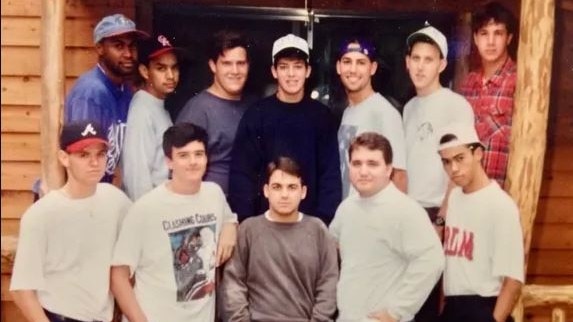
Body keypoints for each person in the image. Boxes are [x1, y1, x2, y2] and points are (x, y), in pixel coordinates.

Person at [111, 123, 238, 322]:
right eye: (183, 155)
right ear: (169, 162)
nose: (193, 162)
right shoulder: (146, 208)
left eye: (199, 154)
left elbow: (229, 219)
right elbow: (118, 276)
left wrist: (230, 227)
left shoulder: (214, 194)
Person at [10, 121, 132, 322]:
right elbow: (23, 290)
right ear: (64, 158)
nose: (94, 162)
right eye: (84, 155)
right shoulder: (41, 214)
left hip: (104, 316)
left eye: (100, 154)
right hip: (61, 316)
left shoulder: (116, 200)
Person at [402, 24, 475, 322]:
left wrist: (442, 221)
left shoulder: (455, 106)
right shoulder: (408, 108)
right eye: (416, 58)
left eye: (428, 59)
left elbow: (461, 172)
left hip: (438, 215)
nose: (420, 66)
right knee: (410, 302)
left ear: (442, 64)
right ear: (407, 62)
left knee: (433, 301)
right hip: (410, 215)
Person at [330, 132, 444, 322]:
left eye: (372, 164)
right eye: (357, 163)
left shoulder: (406, 210)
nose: (363, 171)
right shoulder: (346, 208)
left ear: (389, 169)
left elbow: (432, 260)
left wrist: (397, 311)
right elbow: (333, 246)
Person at [229, 33, 342, 224]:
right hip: (265, 226)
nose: (291, 74)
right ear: (274, 71)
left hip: (309, 227)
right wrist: (247, 222)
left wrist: (323, 223)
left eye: (298, 66)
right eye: (284, 67)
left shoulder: (322, 117)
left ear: (308, 71)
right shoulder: (256, 115)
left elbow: (329, 176)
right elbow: (242, 175)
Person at [222, 156, 338, 321]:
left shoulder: (317, 230)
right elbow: (233, 284)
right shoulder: (249, 229)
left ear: (303, 192)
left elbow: (328, 284)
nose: (284, 195)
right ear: (266, 191)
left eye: (292, 187)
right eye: (277, 187)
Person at [436, 122, 524, 322]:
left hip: (484, 306)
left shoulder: (500, 205)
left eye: (460, 158)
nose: (454, 169)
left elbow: (513, 280)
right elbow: (452, 264)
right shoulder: (455, 198)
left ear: (478, 153)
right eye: (447, 162)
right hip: (452, 308)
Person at [64, 13, 148, 184]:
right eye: (118, 46)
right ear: (100, 48)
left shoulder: (124, 89)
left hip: (99, 187)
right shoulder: (91, 91)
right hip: (81, 192)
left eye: (132, 47)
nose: (128, 54)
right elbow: (83, 159)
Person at [176, 30, 255, 195]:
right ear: (213, 65)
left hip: (249, 207)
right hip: (211, 209)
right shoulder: (197, 110)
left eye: (241, 63)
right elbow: (180, 170)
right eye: (226, 63)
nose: (235, 71)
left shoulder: (254, 106)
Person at [336, 37, 407, 197]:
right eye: (347, 62)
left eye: (361, 63)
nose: (353, 70)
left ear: (373, 68)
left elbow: (399, 175)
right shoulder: (348, 111)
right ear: (338, 67)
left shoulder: (384, 112)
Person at [458, 2, 518, 187]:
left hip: (501, 197)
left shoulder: (520, 82)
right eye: (484, 33)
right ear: (475, 38)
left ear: (509, 38)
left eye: (498, 33)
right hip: (466, 193)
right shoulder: (468, 84)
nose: (490, 42)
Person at [122, 34, 182, 200]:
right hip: (149, 210)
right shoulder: (142, 109)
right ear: (144, 71)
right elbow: (136, 174)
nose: (170, 76)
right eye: (161, 68)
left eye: (174, 67)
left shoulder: (157, 105)